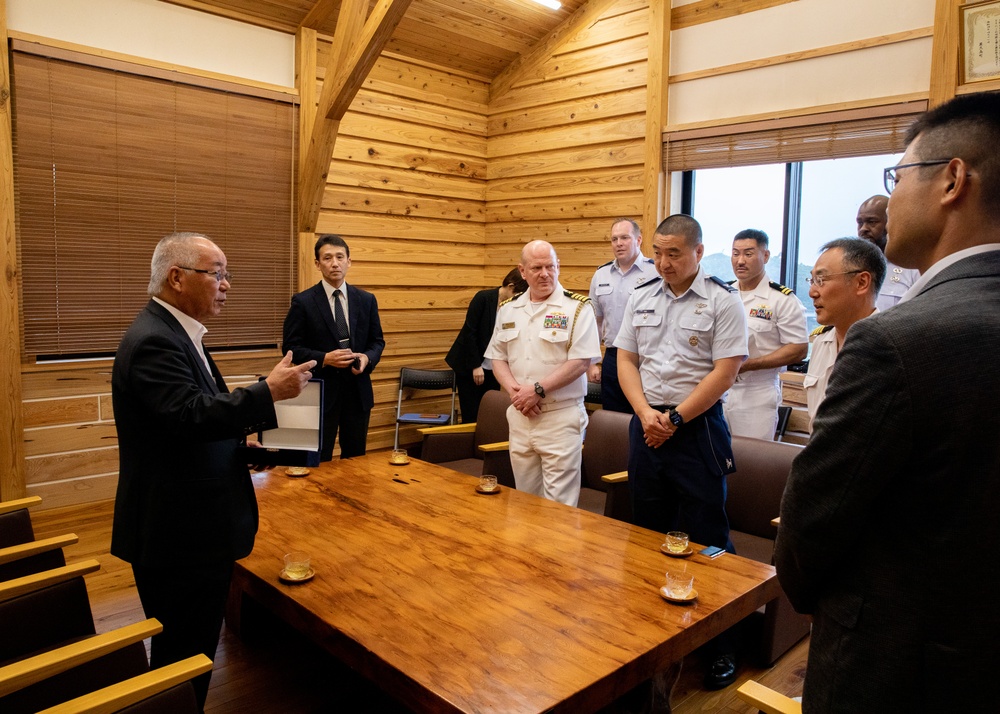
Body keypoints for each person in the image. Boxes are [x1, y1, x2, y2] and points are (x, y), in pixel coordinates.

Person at [775, 92, 1000, 712]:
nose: (889, 199)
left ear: (952, 179)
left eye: (895, 176)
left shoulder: (897, 340)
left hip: (899, 662)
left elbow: (811, 524)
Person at [111, 232, 315, 709]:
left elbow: (186, 424)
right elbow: (188, 415)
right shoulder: (154, 342)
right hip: (178, 533)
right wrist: (267, 392)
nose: (227, 284)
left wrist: (237, 448)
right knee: (184, 654)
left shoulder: (176, 332)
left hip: (189, 523)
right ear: (177, 278)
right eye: (217, 273)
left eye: (226, 275)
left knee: (194, 648)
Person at [614, 214, 747, 690]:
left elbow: (726, 371)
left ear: (697, 251)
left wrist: (672, 420)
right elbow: (626, 359)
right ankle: (650, 639)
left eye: (674, 253)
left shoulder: (722, 300)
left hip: (696, 429)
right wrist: (646, 413)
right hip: (646, 424)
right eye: (658, 252)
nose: (663, 262)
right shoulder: (641, 295)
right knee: (647, 534)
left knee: (709, 540)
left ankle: (721, 646)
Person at [484, 240, 600, 506]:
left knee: (559, 506)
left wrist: (536, 391)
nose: (545, 273)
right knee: (524, 499)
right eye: (537, 267)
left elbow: (581, 361)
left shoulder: (578, 308)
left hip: (559, 417)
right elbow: (497, 357)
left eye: (550, 266)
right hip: (521, 416)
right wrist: (516, 393)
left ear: (558, 266)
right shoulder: (509, 308)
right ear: (522, 271)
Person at [282, 234, 385, 461]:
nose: (335, 263)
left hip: (357, 391)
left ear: (349, 261)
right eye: (327, 258)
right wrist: (325, 358)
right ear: (318, 264)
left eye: (340, 257)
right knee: (319, 458)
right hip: (321, 392)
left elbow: (377, 341)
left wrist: (368, 358)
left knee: (356, 459)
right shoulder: (303, 302)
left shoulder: (366, 300)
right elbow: (290, 348)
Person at [722, 229, 807, 440]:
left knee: (750, 461)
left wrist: (751, 364)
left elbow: (798, 349)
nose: (740, 261)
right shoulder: (723, 293)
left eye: (748, 254)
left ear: (765, 256)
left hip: (757, 392)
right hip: (719, 390)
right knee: (715, 459)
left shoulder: (781, 299)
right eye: (735, 253)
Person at [801, 238, 885, 428]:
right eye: (812, 280)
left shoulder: (888, 346)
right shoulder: (821, 342)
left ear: (861, 282)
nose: (812, 292)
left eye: (821, 280)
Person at [587, 217, 658, 413]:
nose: (619, 243)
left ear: (638, 239)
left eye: (625, 238)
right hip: (612, 356)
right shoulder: (601, 274)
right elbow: (595, 321)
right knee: (613, 416)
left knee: (644, 414)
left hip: (646, 357)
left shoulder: (656, 272)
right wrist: (592, 362)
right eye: (614, 239)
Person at [445, 268, 527, 423]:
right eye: (518, 295)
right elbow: (470, 332)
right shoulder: (483, 298)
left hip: (493, 366)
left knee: (488, 413)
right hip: (470, 364)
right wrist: (476, 365)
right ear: (510, 287)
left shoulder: (513, 308)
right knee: (471, 414)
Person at [856, 194, 920, 310]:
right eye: (860, 223)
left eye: (872, 222)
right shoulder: (852, 268)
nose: (863, 229)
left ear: (890, 223)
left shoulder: (914, 267)